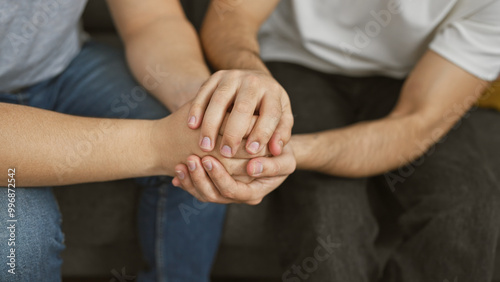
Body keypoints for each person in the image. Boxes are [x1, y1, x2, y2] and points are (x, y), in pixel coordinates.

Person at [174, 0, 500, 281]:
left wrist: (291, 153)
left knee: (469, 209)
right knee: (328, 219)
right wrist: (255, 78)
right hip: (294, 60)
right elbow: (229, 19)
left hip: (416, 78)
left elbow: (414, 122)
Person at [0, 0, 268, 281]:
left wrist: (205, 106)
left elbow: (152, 19)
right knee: (21, 240)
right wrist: (160, 144)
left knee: (204, 148)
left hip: (65, 63)